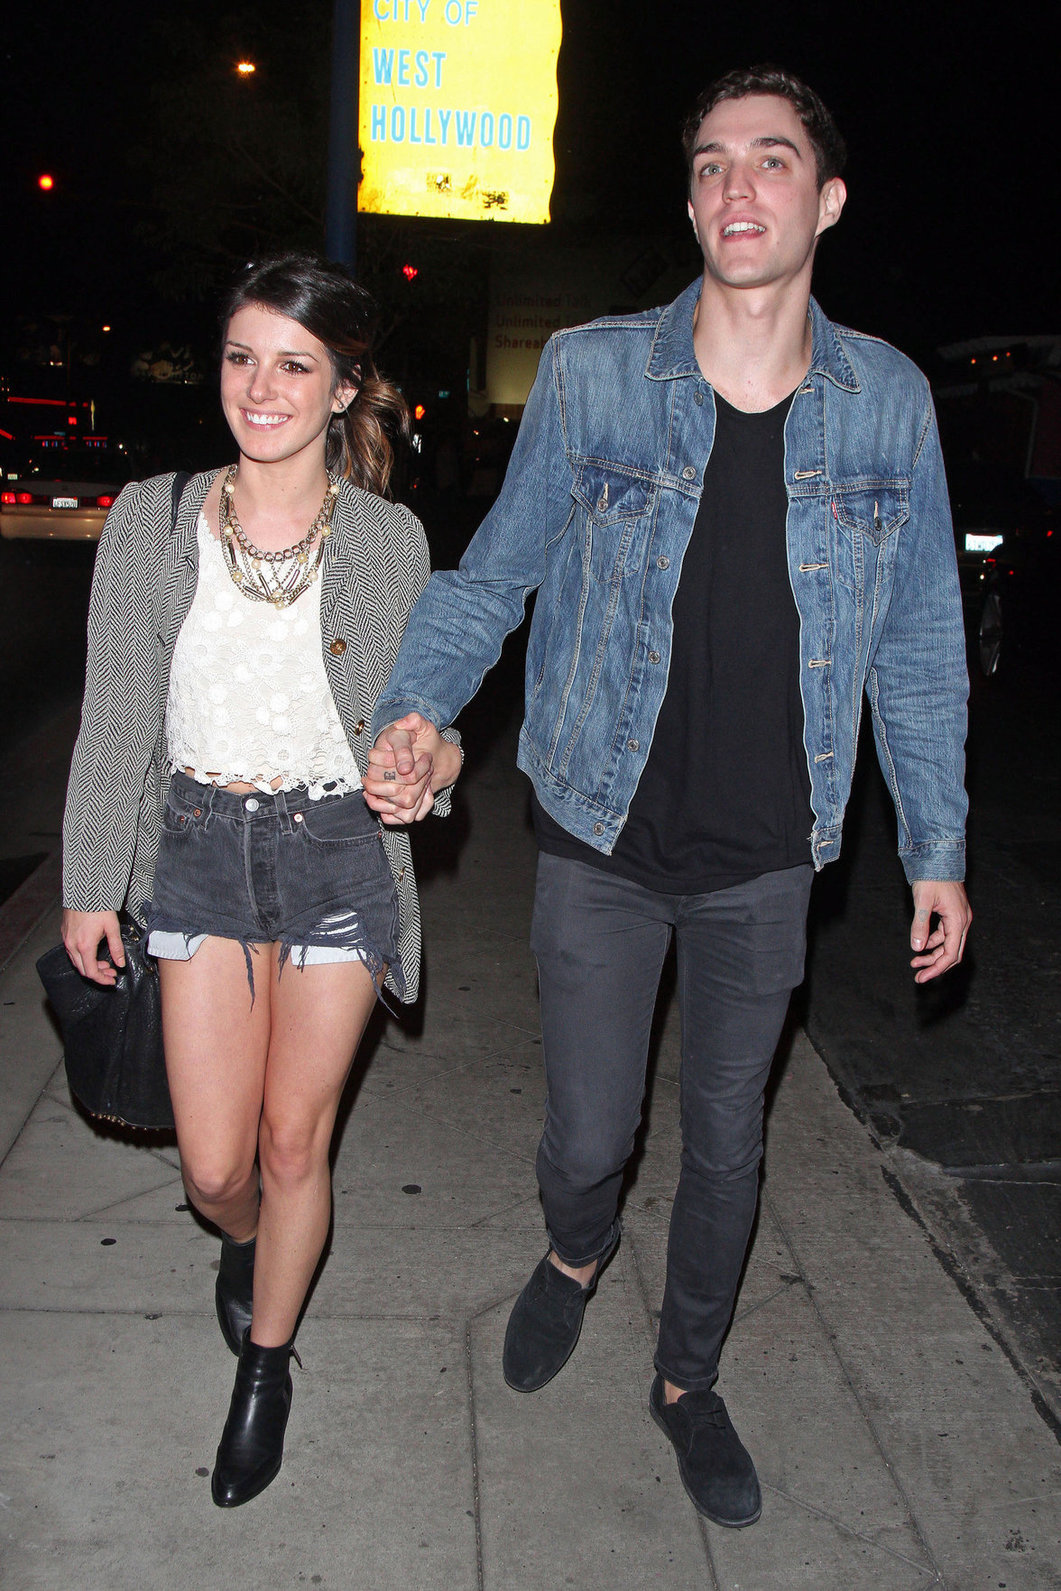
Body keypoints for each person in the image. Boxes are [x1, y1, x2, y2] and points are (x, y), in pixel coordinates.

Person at [368, 67, 972, 1530]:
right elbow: (494, 569)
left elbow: (918, 640)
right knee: (591, 1134)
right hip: (599, 824)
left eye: (770, 162)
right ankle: (574, 1251)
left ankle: (687, 1375)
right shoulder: (591, 371)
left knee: (727, 1139)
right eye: (711, 165)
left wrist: (938, 845)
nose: (736, 189)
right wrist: (415, 701)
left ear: (823, 200)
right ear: (692, 197)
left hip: (770, 853)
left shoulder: (887, 397)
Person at [60, 253, 461, 1508]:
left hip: (339, 852)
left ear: (345, 387)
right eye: (243, 358)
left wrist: (426, 765)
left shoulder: (391, 540)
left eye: (295, 365)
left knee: (297, 1142)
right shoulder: (149, 517)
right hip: (194, 856)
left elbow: (420, 722)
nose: (261, 386)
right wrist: (87, 882)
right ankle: (246, 1247)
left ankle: (266, 1367)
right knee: (216, 1167)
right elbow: (115, 717)